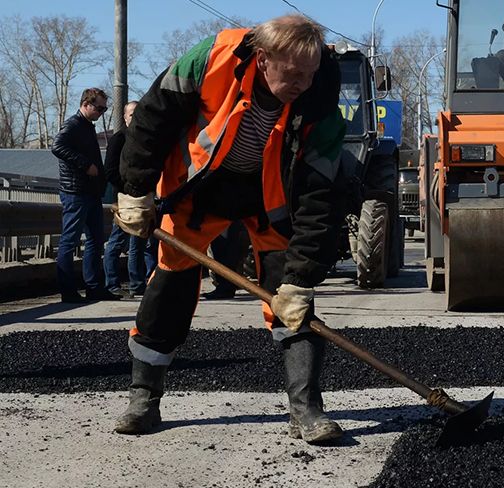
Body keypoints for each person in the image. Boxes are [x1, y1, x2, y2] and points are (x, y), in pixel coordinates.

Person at [113, 15, 349, 444]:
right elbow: (151, 120)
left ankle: (306, 409)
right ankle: (143, 399)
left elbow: (321, 198)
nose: (301, 83)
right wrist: (135, 189)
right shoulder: (210, 60)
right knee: (169, 285)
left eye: (309, 74)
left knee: (291, 299)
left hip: (271, 198)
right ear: (262, 58)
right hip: (201, 189)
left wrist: (301, 278)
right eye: (292, 73)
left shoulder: (322, 107)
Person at [52, 88, 121, 303]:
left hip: (89, 192)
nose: (101, 112)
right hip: (75, 192)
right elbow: (57, 146)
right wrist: (85, 165)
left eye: (104, 109)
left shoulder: (87, 127)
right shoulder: (73, 125)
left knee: (96, 240)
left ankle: (94, 287)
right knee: (70, 240)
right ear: (86, 104)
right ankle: (68, 291)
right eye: (99, 108)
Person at [102, 101, 140, 297]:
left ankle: (137, 284)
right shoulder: (119, 139)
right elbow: (109, 170)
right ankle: (112, 284)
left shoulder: (143, 138)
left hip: (141, 197)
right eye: (131, 114)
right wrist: (125, 188)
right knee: (117, 241)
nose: (135, 117)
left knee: (138, 244)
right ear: (125, 117)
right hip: (123, 197)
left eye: (138, 113)